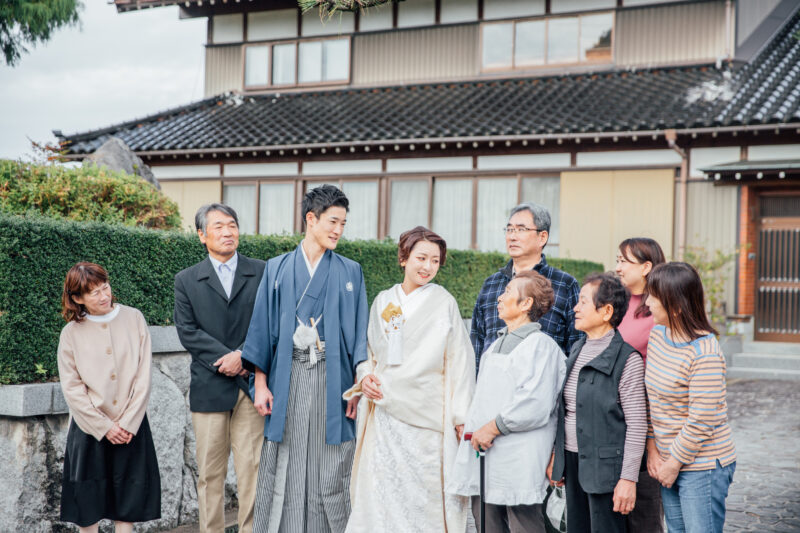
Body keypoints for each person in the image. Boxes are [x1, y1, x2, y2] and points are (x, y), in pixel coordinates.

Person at [241, 185, 368, 533]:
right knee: (287, 456)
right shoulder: (278, 268)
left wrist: (356, 387)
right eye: (332, 221)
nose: (338, 230)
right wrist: (261, 385)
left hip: (335, 379)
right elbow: (262, 329)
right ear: (311, 219)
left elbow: (359, 335)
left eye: (343, 223)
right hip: (288, 374)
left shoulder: (350, 271)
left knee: (332, 458)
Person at [343, 226, 476, 533]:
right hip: (386, 415)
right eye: (421, 258)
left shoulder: (444, 303)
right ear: (403, 258)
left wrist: (461, 416)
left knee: (424, 493)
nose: (427, 266)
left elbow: (460, 362)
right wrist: (365, 378)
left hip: (427, 416)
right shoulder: (384, 300)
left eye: (435, 260)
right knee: (382, 491)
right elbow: (371, 354)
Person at [449, 270, 566, 533]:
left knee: (522, 523)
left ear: (526, 304)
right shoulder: (494, 346)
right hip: (486, 452)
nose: (499, 298)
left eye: (508, 292)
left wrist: (491, 428)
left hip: (518, 455)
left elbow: (535, 405)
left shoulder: (542, 347)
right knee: (486, 522)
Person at [174, 203, 266, 533]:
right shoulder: (186, 280)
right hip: (210, 386)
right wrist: (228, 358)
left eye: (232, 225)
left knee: (252, 470)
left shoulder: (262, 271)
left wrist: (244, 356)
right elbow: (188, 331)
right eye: (218, 227)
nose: (228, 232)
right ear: (201, 235)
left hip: (251, 386)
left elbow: (269, 323)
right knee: (210, 474)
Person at [57, 262, 161, 533]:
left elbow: (143, 374)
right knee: (87, 506)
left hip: (131, 427)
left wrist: (127, 423)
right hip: (89, 430)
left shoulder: (134, 318)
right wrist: (104, 427)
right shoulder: (70, 334)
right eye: (94, 293)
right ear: (77, 298)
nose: (104, 296)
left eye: (105, 288)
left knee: (126, 504)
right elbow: (72, 389)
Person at [549, 273, 647, 533]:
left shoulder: (627, 360)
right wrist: (557, 457)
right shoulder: (577, 350)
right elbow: (567, 412)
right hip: (573, 463)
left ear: (606, 311)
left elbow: (637, 425)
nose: (575, 308)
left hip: (606, 471)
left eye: (582, 302)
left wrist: (628, 479)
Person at [644, 262, 736, 533]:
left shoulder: (704, 352)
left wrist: (673, 463)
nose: (647, 302)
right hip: (668, 459)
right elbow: (654, 399)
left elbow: (701, 420)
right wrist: (653, 447)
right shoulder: (658, 335)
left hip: (703, 463)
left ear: (675, 306)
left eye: (653, 297)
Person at [471, 202, 580, 369]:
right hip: (491, 387)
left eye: (521, 229)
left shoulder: (564, 284)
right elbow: (477, 341)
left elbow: (576, 345)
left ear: (542, 237)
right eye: (509, 229)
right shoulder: (491, 283)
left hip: (541, 387)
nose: (512, 236)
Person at [615, 237, 666, 533]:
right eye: (618, 260)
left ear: (647, 266)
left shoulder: (659, 311)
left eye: (624, 261)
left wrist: (652, 443)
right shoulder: (616, 302)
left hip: (644, 422)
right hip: (611, 422)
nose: (617, 267)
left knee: (643, 512)